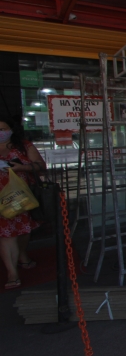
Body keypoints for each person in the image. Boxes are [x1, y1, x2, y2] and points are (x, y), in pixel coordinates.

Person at [0, 117, 46, 290]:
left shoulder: (23, 146)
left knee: (23, 230)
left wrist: (21, 168)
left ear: (11, 130)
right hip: (1, 200)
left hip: (22, 197)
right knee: (6, 234)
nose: (0, 133)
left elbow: (41, 166)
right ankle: (12, 273)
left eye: (3, 129)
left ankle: (22, 254)